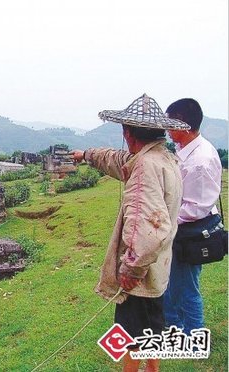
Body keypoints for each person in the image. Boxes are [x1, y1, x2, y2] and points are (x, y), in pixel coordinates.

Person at [72, 94, 189, 372]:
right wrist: (87, 155)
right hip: (159, 269)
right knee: (151, 332)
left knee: (133, 338)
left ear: (127, 132)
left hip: (142, 274)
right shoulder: (162, 158)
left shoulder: (144, 169)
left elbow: (144, 229)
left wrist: (130, 270)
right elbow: (118, 160)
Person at [162, 98, 222, 334]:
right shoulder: (186, 149)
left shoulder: (199, 161)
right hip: (181, 229)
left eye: (170, 124)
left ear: (183, 125)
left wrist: (163, 219)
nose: (166, 129)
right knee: (172, 281)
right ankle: (173, 324)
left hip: (190, 232)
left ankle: (194, 334)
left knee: (186, 286)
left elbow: (196, 208)